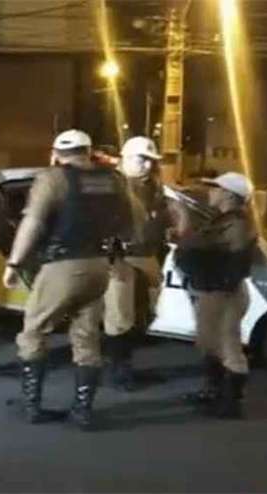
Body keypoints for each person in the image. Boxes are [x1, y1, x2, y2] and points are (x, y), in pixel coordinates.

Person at [3, 129, 129, 430]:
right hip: (99, 265)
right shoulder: (114, 180)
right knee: (87, 335)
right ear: (89, 151)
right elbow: (128, 222)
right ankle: (82, 410)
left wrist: (14, 262)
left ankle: (32, 405)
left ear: (56, 153)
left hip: (62, 265)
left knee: (34, 331)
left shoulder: (53, 179)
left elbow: (33, 222)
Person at [171, 172, 258, 418]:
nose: (211, 192)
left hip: (222, 292)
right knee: (210, 344)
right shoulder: (225, 220)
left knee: (228, 347)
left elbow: (199, 247)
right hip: (214, 290)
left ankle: (230, 404)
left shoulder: (235, 224)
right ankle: (213, 393)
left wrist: (184, 221)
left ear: (229, 195)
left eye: (216, 188)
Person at [103, 136, 167, 392]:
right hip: (120, 257)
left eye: (151, 160)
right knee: (119, 317)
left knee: (146, 312)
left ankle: (123, 364)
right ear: (125, 158)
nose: (147, 165)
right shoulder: (111, 186)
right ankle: (118, 370)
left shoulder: (154, 188)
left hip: (146, 255)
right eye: (142, 159)